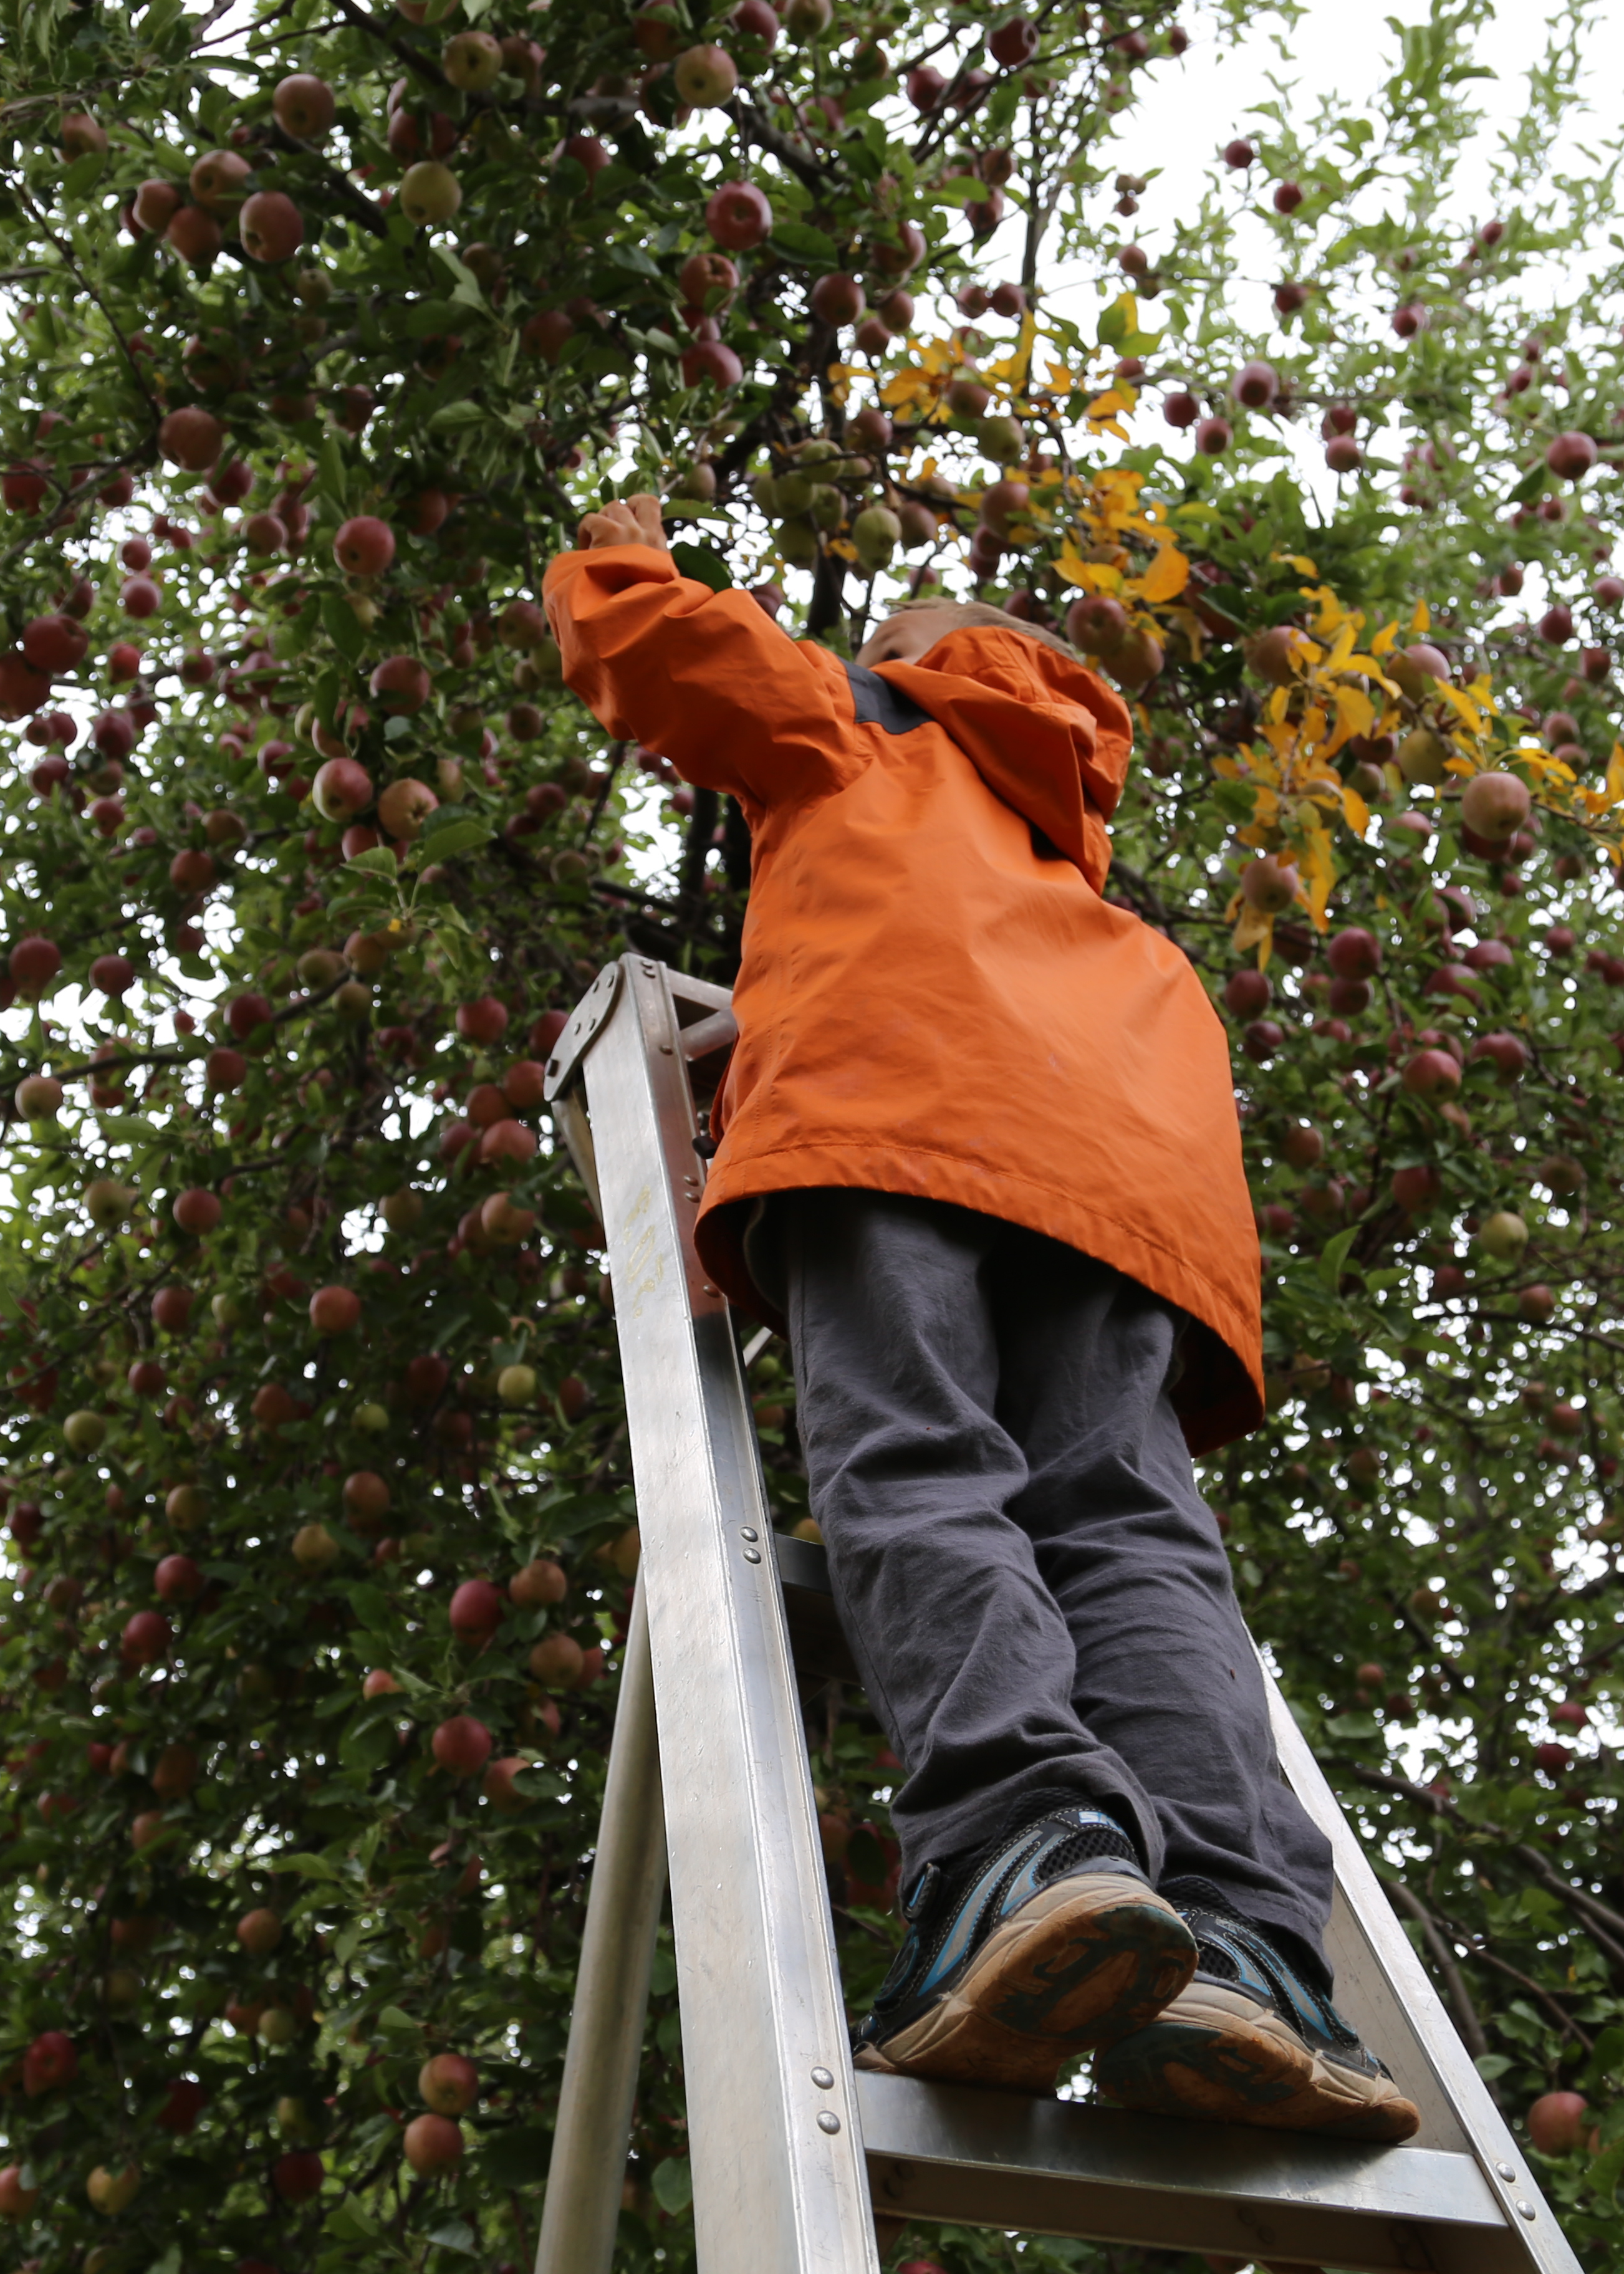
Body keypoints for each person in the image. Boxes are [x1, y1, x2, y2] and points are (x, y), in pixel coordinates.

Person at [542, 494, 1416, 2139]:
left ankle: (1035, 1846)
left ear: (914, 668)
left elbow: (653, 651)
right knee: (1130, 1533)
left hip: (896, 1132)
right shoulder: (1112, 921)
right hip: (1117, 1216)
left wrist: (614, 550)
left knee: (922, 1466)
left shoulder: (873, 730)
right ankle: (1248, 1950)